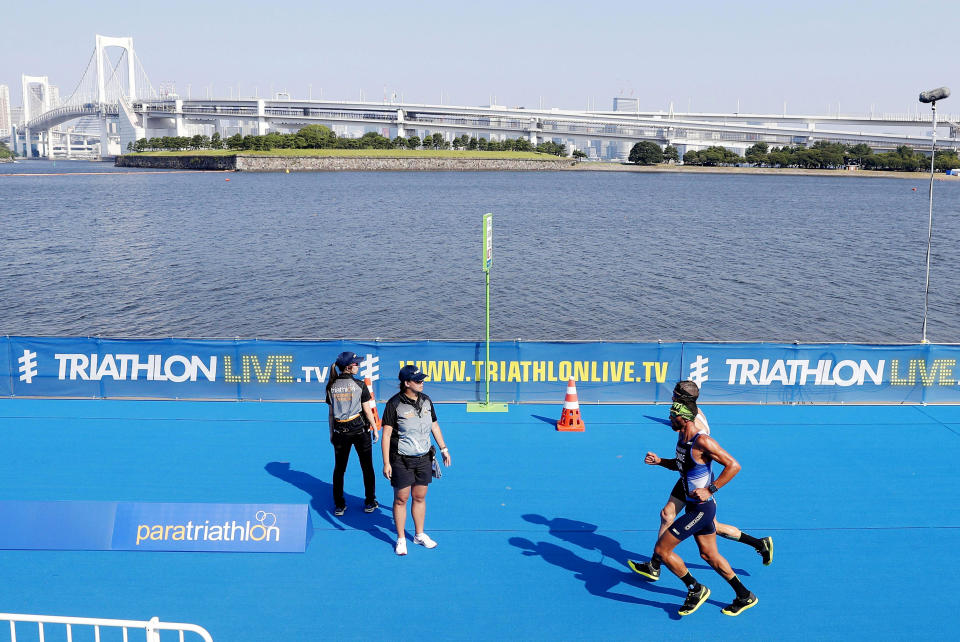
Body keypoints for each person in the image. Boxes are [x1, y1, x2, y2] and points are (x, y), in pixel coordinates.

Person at [629, 381, 772, 581]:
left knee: (700, 522)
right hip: (687, 472)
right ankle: (758, 544)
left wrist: (710, 489)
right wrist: (661, 461)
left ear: (683, 399)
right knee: (678, 516)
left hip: (697, 478)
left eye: (675, 395)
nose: (671, 398)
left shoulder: (695, 427)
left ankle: (656, 563)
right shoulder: (685, 413)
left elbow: (717, 460)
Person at [638, 400, 759, 616]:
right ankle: (744, 595)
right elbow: (681, 464)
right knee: (709, 556)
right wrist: (660, 462)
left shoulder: (702, 441)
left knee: (662, 550)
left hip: (701, 510)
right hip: (694, 508)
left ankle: (695, 589)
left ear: (683, 419)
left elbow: (734, 465)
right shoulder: (681, 437)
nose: (669, 419)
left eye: (672, 415)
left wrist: (711, 489)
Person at [380, 364, 451, 556]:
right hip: (401, 459)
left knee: (419, 497)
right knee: (401, 499)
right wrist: (386, 462)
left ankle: (419, 534)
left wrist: (444, 448)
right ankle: (401, 538)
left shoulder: (427, 401)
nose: (422, 383)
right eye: (418, 380)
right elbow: (386, 435)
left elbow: (434, 426)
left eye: (422, 379)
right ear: (406, 383)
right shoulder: (394, 404)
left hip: (424, 459)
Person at [325, 351, 380, 516]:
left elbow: (331, 413)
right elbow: (367, 410)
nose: (358, 365)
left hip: (340, 433)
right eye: (356, 363)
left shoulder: (331, 386)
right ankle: (370, 501)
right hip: (360, 432)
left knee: (339, 469)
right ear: (348, 367)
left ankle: (339, 505)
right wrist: (375, 428)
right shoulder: (360, 385)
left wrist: (331, 433)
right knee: (367, 468)